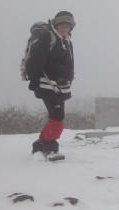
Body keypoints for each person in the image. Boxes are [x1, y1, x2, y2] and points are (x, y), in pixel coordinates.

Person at [25, 11, 76, 156]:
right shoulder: (48, 37)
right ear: (56, 24)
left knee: (57, 116)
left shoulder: (66, 40)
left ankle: (42, 144)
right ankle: (47, 145)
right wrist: (34, 80)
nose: (65, 27)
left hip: (60, 85)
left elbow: (70, 63)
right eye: (62, 23)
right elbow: (37, 60)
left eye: (68, 24)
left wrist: (68, 79)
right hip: (47, 83)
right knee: (57, 117)